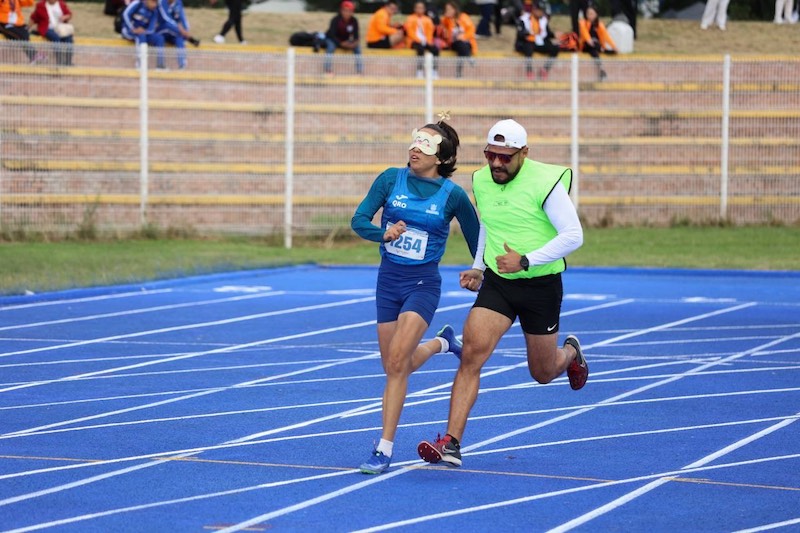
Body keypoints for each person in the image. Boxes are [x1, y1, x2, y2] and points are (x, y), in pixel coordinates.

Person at [417, 118, 587, 469]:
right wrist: (479, 266)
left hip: (540, 286)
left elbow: (573, 236)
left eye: (504, 157)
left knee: (541, 372)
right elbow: (487, 229)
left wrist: (525, 261)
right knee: (471, 356)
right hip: (499, 283)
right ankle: (451, 443)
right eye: (490, 155)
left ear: (523, 153)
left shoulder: (545, 182)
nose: (495, 163)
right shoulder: (481, 180)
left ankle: (570, 353)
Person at [350, 115, 480, 475]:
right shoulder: (391, 179)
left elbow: (477, 240)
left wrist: (480, 269)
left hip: (423, 285)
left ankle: (384, 448)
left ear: (441, 157)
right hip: (387, 283)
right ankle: (442, 344)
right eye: (412, 143)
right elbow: (359, 220)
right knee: (396, 365)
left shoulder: (452, 195)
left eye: (423, 146)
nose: (413, 150)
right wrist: (384, 235)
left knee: (395, 365)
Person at [515, 1, 559, 80]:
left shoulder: (543, 20)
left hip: (539, 43)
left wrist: (554, 35)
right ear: (534, 10)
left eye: (542, 11)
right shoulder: (524, 18)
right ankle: (529, 71)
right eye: (539, 10)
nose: (541, 13)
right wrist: (528, 33)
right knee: (529, 46)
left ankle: (545, 69)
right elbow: (520, 34)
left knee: (555, 48)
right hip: (526, 43)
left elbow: (547, 33)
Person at [436, 0, 477, 78]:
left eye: (450, 9)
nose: (448, 11)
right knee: (459, 44)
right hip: (454, 43)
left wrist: (463, 36)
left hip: (466, 42)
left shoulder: (464, 17)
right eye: (447, 9)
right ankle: (468, 57)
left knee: (462, 47)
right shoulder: (447, 19)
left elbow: (471, 29)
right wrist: (445, 17)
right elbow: (440, 27)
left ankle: (459, 74)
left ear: (455, 9)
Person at [121, 0, 167, 69]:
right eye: (153, 2)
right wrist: (132, 28)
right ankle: (140, 64)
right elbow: (125, 14)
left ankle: (160, 65)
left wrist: (143, 31)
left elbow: (151, 29)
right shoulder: (138, 3)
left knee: (160, 38)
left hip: (143, 33)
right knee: (140, 37)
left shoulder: (154, 11)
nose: (155, 5)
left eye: (156, 2)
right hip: (129, 31)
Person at [324, 0, 363, 75]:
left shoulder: (354, 21)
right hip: (333, 40)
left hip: (345, 41)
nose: (347, 13)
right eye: (345, 10)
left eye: (350, 11)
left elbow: (356, 35)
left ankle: (359, 71)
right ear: (341, 10)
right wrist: (341, 43)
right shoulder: (335, 20)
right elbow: (332, 35)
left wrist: (354, 43)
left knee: (357, 48)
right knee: (330, 47)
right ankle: (327, 70)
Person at [28, 0, 73, 65]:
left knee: (68, 39)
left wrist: (65, 17)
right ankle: (59, 61)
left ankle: (68, 61)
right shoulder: (41, 5)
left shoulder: (61, 4)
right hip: (47, 28)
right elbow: (33, 17)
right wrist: (28, 28)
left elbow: (69, 14)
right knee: (56, 38)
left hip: (60, 28)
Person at [157, 0, 199, 70]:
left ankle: (182, 65)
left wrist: (186, 30)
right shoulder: (161, 2)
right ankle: (160, 65)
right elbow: (166, 18)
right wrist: (180, 29)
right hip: (161, 29)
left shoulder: (178, 2)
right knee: (168, 27)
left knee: (179, 38)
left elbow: (182, 17)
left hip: (174, 31)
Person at [578, 5, 617, 81]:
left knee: (594, 50)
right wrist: (589, 40)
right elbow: (584, 33)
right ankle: (604, 51)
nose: (589, 15)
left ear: (596, 14)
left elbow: (606, 36)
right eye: (588, 13)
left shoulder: (599, 25)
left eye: (592, 13)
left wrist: (613, 46)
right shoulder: (583, 22)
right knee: (593, 45)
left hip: (595, 47)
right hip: (586, 45)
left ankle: (601, 70)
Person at [405, 0, 439, 78]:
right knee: (420, 49)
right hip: (414, 41)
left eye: (421, 8)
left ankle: (434, 71)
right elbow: (410, 32)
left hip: (425, 41)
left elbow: (430, 32)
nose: (420, 10)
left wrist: (428, 41)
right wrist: (419, 40)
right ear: (415, 9)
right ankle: (419, 71)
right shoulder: (410, 18)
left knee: (435, 50)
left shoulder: (428, 19)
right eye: (418, 8)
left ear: (424, 9)